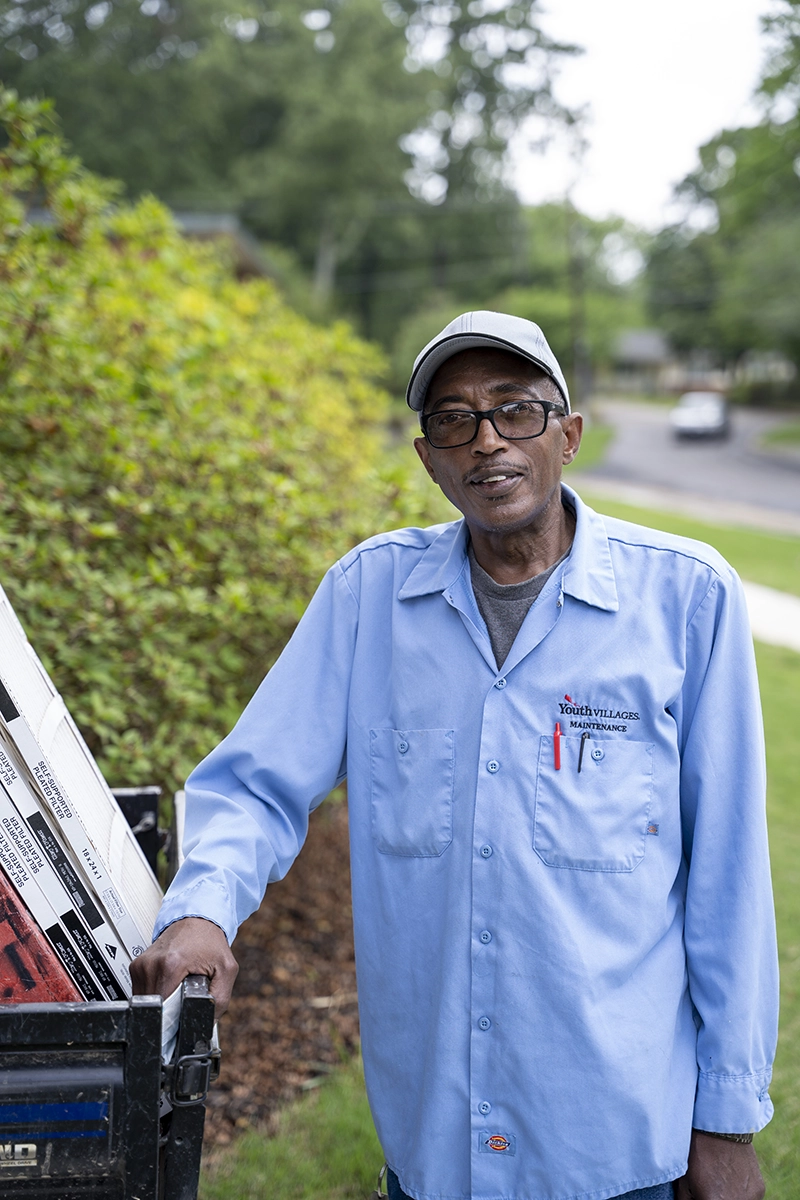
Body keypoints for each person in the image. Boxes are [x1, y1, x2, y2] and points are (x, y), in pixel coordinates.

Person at [132, 312, 778, 1200]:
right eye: (453, 419)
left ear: (569, 435)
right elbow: (256, 785)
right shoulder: (369, 598)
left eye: (516, 410)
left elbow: (729, 880)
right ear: (427, 457)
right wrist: (202, 911)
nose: (486, 441)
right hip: (437, 1149)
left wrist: (728, 1120)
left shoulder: (686, 596)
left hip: (617, 1143)